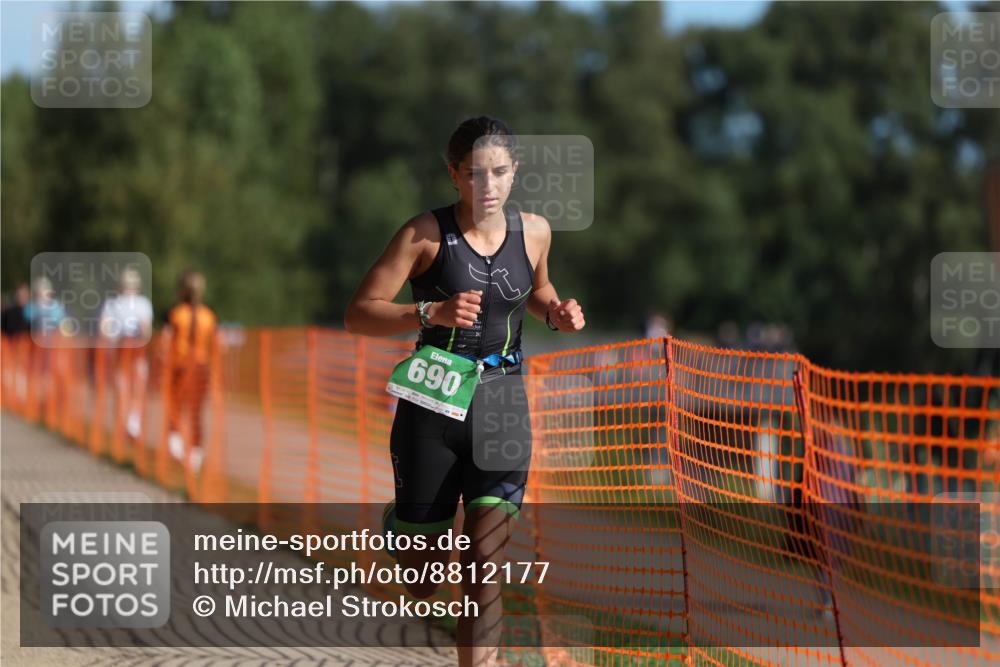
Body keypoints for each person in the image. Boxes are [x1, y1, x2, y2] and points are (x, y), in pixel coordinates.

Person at [344, 116, 585, 667]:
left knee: (483, 564)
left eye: (499, 172)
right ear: (453, 174)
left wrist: (556, 311)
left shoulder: (536, 232)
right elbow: (359, 314)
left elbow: (538, 286)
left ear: (514, 172)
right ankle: (402, 529)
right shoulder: (423, 236)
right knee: (424, 581)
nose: (489, 186)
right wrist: (428, 311)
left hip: (502, 405)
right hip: (434, 405)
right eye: (475, 174)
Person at [164, 271, 217, 472]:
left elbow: (168, 341)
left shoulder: (178, 314)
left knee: (178, 406)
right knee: (193, 410)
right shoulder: (208, 316)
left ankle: (180, 444)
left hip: (183, 366)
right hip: (196, 366)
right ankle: (193, 450)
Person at [99, 266, 153, 439]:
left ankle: (129, 422)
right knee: (128, 386)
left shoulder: (136, 303)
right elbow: (105, 328)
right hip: (124, 350)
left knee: (129, 386)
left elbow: (105, 329)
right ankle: (128, 422)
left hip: (130, 350)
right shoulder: (118, 304)